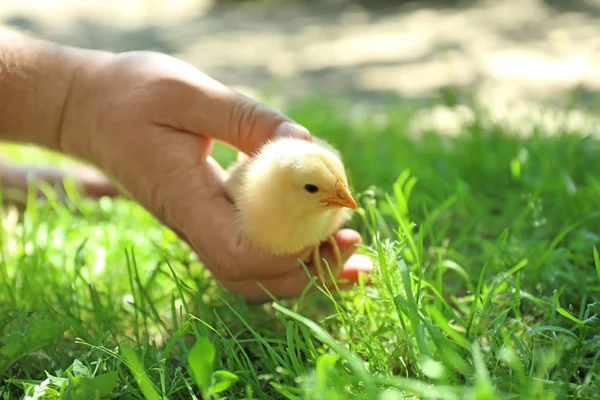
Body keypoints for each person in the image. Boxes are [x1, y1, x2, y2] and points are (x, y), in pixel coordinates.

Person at [0, 26, 372, 303]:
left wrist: (80, 100)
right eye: (318, 189)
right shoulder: (259, 193)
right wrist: (77, 101)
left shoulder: (305, 179)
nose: (345, 198)